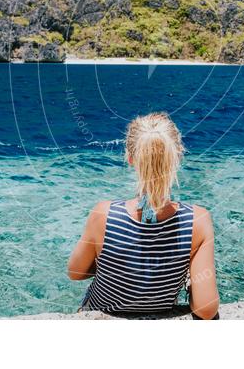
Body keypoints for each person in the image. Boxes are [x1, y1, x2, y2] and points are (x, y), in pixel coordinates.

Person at [67, 112, 219, 319]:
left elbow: (75, 273)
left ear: (130, 158)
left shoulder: (103, 214)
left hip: (100, 315)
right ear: (178, 156)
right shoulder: (198, 221)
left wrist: (118, 264)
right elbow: (206, 309)